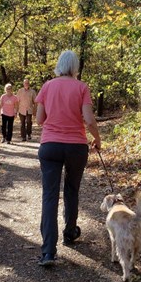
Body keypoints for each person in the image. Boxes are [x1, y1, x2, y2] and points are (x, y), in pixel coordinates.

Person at [35, 50, 102, 267]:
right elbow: (89, 120)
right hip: (76, 146)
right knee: (72, 190)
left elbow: (39, 120)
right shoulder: (82, 87)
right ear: (75, 67)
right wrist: (97, 139)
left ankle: (48, 252)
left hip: (50, 146)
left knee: (50, 196)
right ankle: (70, 232)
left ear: (58, 65)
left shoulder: (47, 86)